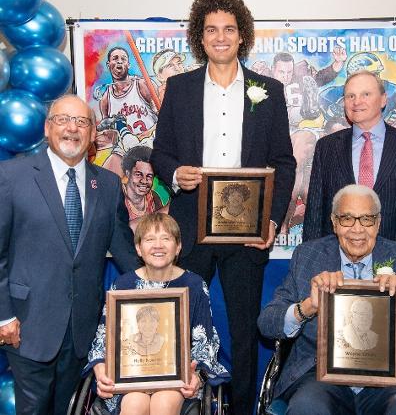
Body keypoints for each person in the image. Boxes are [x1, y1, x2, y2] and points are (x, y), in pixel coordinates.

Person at [151, 0, 296, 414]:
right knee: (181, 326)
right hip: (190, 227)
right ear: (200, 36)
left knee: (244, 330)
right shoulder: (178, 88)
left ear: (241, 35)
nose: (220, 37)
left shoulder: (267, 90)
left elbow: (283, 163)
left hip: (246, 229)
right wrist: (177, 174)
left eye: (228, 29)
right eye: (211, 29)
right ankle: (180, 404)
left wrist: (270, 219)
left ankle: (242, 410)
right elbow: (161, 153)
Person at [258, 184, 396, 415]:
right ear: (334, 222)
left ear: (378, 223)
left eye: (367, 219)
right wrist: (307, 307)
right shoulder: (308, 257)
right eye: (347, 219)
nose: (357, 229)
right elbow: (267, 322)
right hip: (320, 378)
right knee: (307, 406)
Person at [0, 95, 138, 415]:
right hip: (27, 324)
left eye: (81, 122)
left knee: (69, 409)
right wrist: (4, 315)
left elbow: (124, 250)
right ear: (48, 128)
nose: (72, 129)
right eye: (63, 120)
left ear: (92, 134)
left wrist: (162, 285)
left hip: (81, 330)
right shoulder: (10, 177)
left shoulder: (107, 184)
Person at [87, 213, 229, 415]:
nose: (158, 245)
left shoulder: (195, 286)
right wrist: (101, 372)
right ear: (138, 248)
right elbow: (103, 339)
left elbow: (205, 342)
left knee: (163, 403)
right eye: (149, 239)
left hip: (176, 380)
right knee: (135, 404)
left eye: (166, 238)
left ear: (178, 246)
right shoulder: (123, 286)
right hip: (130, 379)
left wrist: (197, 376)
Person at [303, 70, 396, 269]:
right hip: (336, 271)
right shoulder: (327, 147)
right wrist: (310, 271)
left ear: (383, 99)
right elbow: (314, 215)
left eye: (366, 94)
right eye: (350, 96)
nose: (357, 101)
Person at [97, 46, 159, 176]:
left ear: (128, 65)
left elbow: (163, 115)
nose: (119, 61)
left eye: (123, 59)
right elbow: (109, 136)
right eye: (115, 58)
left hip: (150, 140)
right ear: (109, 64)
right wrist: (106, 126)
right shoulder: (105, 99)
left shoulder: (142, 85)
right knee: (107, 174)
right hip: (125, 147)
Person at [121, 145, 164, 231]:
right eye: (138, 174)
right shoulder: (117, 197)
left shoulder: (155, 199)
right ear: (128, 173)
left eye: (149, 176)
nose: (144, 181)